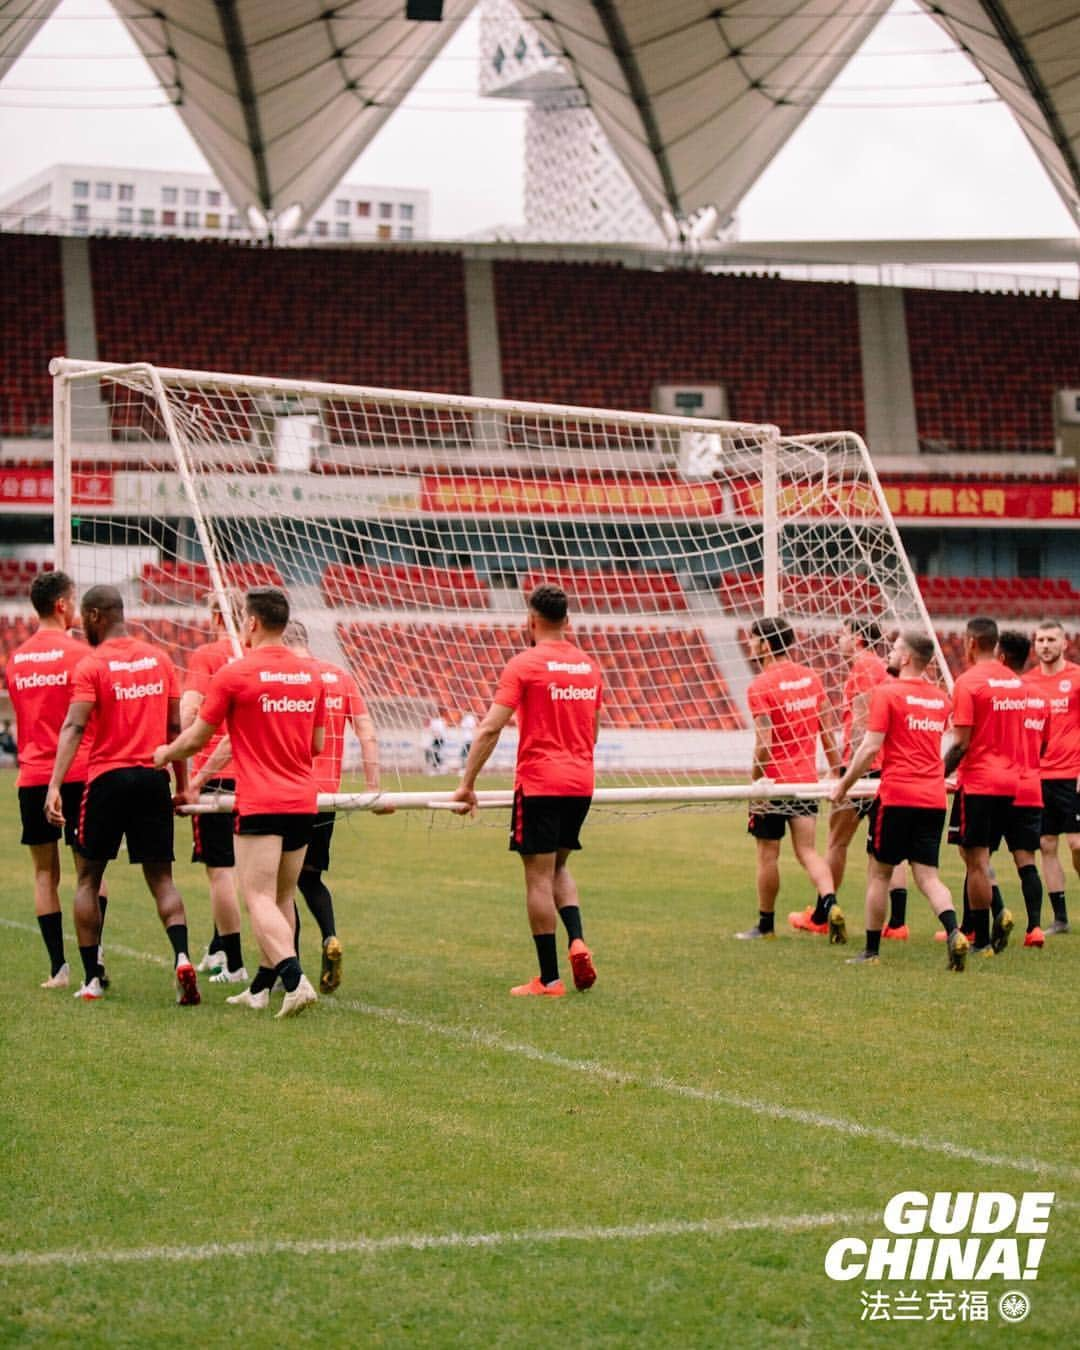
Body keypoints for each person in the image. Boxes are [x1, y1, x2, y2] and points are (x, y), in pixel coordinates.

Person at [155, 586, 324, 1019]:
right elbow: (317, 744)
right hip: (304, 799)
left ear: (250, 623)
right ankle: (261, 988)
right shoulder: (311, 674)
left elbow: (196, 736)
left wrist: (164, 754)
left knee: (258, 897)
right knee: (282, 897)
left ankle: (293, 978)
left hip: (262, 801)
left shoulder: (235, 673)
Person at [45, 584, 199, 1005]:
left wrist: (55, 784)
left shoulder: (92, 664)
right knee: (162, 879)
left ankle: (92, 979)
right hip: (153, 777)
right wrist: (182, 785)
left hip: (107, 780)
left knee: (88, 878)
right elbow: (174, 733)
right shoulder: (160, 659)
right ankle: (183, 958)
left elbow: (75, 726)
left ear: (95, 616)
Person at [451, 583, 601, 997]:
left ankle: (549, 979)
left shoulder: (524, 664)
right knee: (559, 868)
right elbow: (594, 730)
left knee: (537, 877)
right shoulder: (589, 666)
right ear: (567, 621)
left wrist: (467, 784)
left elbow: (490, 727)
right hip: (580, 781)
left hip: (540, 782)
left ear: (530, 620)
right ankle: (576, 938)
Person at [832, 631, 966, 970]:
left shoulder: (887, 694)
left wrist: (844, 785)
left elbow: (870, 747)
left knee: (879, 874)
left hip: (897, 795)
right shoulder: (939, 699)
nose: (889, 654)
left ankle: (872, 951)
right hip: (933, 798)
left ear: (906, 658)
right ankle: (954, 931)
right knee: (929, 876)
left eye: (893, 650)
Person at [5, 570, 106, 989]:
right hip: (79, 772)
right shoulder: (81, 654)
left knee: (45, 873)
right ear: (62, 605)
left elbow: (23, 718)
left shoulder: (16, 659)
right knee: (90, 874)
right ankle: (94, 965)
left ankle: (57, 969)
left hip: (33, 774)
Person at [282, 619, 386, 993]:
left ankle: (287, 970)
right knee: (310, 877)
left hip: (288, 791)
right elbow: (367, 731)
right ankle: (329, 936)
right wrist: (373, 788)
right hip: (327, 796)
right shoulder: (340, 676)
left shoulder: (285, 676)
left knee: (281, 887)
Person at [736, 616, 844, 942]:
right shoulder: (811, 678)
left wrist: (756, 782)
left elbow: (765, 743)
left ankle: (765, 925)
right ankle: (830, 904)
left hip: (774, 783)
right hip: (805, 780)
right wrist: (836, 769)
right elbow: (827, 729)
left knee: (768, 854)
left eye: (753, 639)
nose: (749, 644)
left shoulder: (760, 686)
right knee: (808, 851)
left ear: (766, 645)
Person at [943, 616, 1025, 959]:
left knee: (975, 858)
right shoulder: (1016, 684)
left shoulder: (969, 682)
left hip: (978, 781)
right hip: (1010, 780)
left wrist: (936, 774)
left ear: (971, 641)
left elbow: (961, 743)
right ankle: (998, 911)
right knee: (977, 856)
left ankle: (980, 940)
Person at [825, 617, 910, 939]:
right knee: (888, 847)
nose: (838, 641)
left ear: (858, 638)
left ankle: (823, 913)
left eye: (843, 634)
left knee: (837, 838)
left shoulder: (863, 666)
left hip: (864, 766)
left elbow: (861, 717)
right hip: (887, 764)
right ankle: (898, 923)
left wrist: (848, 767)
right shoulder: (882, 668)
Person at [180, 590, 247, 984]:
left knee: (220, 872)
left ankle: (235, 964)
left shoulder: (208, 656)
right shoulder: (256, 657)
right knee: (249, 872)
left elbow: (189, 710)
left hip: (216, 776)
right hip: (259, 778)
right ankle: (220, 947)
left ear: (219, 616)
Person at [1023, 618, 1079, 936]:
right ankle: (1060, 917)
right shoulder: (1028, 683)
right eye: (1040, 640)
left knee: (1077, 844)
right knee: (1046, 844)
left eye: (1051, 640)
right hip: (1038, 776)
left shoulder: (1076, 678)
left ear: (1064, 643)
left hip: (1073, 775)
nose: (1045, 645)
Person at [994, 630, 1049, 947]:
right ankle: (1035, 928)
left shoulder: (999, 695)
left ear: (1001, 657)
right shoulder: (1040, 697)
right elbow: (1045, 744)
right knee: (1026, 860)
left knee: (979, 858)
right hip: (1031, 786)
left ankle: (984, 921)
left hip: (997, 786)